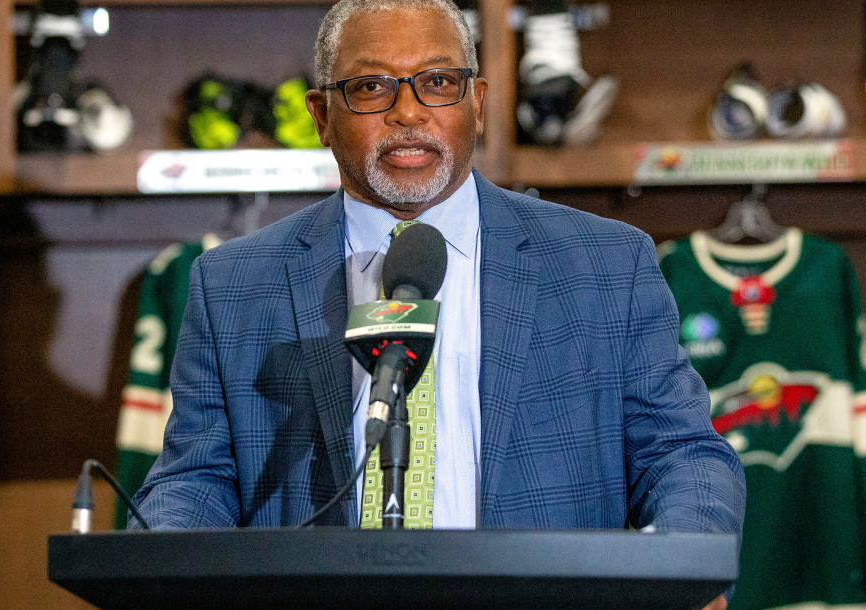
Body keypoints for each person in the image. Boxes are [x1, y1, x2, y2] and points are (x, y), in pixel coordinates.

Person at [132, 0, 744, 604]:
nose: (408, 112)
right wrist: (152, 569)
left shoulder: (607, 265)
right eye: (372, 87)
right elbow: (197, 480)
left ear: (477, 103)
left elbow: (679, 453)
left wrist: (685, 568)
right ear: (321, 115)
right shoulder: (233, 284)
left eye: (438, 83)